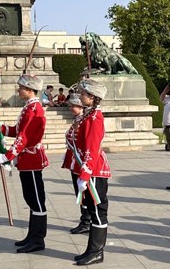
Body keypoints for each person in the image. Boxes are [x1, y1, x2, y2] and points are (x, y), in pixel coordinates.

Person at [0, 74, 49, 253]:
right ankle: (32, 235)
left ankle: (38, 239)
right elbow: (17, 131)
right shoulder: (28, 108)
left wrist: (9, 155)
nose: (18, 90)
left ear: (30, 90)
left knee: (36, 200)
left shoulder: (35, 109)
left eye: (21, 88)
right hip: (26, 160)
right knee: (30, 198)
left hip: (32, 159)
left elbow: (24, 137)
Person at [70, 79, 112, 266]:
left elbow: (92, 149)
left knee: (98, 211)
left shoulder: (95, 118)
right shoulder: (88, 115)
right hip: (89, 169)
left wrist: (85, 174)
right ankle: (91, 249)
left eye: (83, 94)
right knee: (93, 210)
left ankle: (96, 251)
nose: (80, 96)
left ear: (93, 97)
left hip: (94, 170)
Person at [62, 93, 92, 235]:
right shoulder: (78, 120)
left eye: (74, 106)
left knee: (83, 193)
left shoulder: (82, 122)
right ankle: (85, 219)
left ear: (81, 107)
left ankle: (87, 221)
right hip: (75, 161)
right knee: (79, 192)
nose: (71, 108)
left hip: (81, 162)